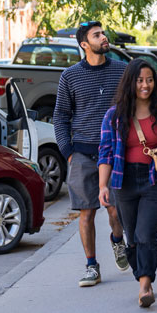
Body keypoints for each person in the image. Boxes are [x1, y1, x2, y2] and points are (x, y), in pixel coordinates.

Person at [96, 60, 157, 308]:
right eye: (139, 80)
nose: (145, 85)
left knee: (146, 233)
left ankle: (145, 284)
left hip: (155, 179)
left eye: (149, 80)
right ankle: (144, 273)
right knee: (133, 237)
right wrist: (103, 186)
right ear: (130, 82)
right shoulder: (114, 116)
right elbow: (105, 153)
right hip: (123, 181)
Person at [54, 21, 128, 287]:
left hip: (115, 152)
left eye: (103, 33)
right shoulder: (70, 76)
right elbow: (60, 116)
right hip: (83, 153)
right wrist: (68, 152)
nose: (104, 37)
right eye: (97, 35)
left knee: (115, 210)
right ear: (84, 44)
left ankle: (118, 242)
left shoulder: (122, 71)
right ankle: (92, 266)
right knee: (86, 213)